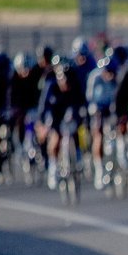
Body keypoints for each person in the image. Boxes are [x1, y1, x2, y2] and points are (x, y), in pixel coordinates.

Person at [38, 57, 86, 190]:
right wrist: (44, 124)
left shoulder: (76, 86)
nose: (66, 84)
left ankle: (78, 156)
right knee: (55, 138)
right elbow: (43, 107)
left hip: (71, 113)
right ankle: (53, 167)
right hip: (56, 114)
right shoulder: (51, 87)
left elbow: (82, 103)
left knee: (79, 131)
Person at [86, 56, 120, 190]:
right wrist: (95, 110)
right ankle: (99, 168)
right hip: (98, 108)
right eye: (107, 72)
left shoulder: (118, 79)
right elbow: (90, 98)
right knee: (98, 135)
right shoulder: (95, 78)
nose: (109, 75)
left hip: (113, 109)